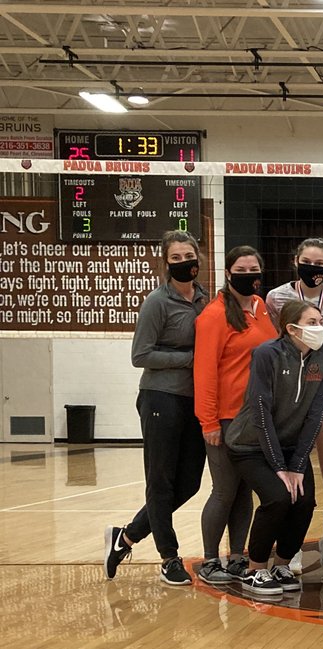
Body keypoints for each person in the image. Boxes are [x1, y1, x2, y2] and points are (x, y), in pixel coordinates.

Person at [103, 230, 209, 587]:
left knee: (190, 483)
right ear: (165, 263)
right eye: (176, 258)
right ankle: (169, 557)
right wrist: (190, 360)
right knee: (160, 481)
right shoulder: (157, 302)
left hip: (196, 401)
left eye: (188, 256)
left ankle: (127, 536)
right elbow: (141, 355)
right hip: (160, 397)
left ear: (199, 258)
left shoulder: (206, 301)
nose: (184, 263)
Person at [224, 299, 323, 596]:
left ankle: (281, 564)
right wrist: (279, 467)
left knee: (305, 500)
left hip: (290, 446)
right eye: (312, 322)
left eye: (321, 320)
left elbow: (317, 411)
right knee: (277, 498)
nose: (319, 327)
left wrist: (297, 465)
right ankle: (254, 569)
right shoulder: (266, 354)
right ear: (291, 328)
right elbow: (260, 413)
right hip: (250, 444)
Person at [192, 245, 276, 586]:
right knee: (224, 490)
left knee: (244, 491)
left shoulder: (261, 307)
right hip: (226, 418)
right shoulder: (213, 315)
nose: (249, 275)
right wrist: (209, 422)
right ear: (228, 274)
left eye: (254, 269)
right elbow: (205, 372)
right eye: (241, 269)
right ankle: (211, 559)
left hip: (257, 417)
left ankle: (238, 556)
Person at [265, 238, 323, 486]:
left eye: (319, 263)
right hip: (289, 384)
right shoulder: (277, 297)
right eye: (306, 262)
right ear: (295, 262)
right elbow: (274, 337)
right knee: (288, 462)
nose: (312, 268)